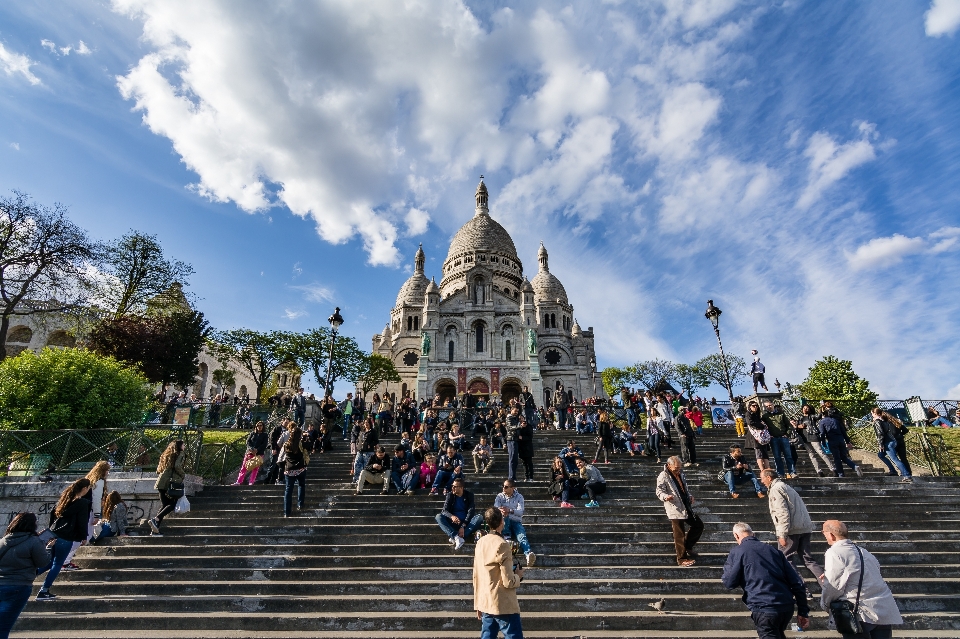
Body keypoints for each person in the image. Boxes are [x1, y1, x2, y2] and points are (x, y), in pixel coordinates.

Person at [722, 522, 810, 639]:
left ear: (736, 536)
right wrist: (803, 611)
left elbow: (729, 582)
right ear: (753, 534)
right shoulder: (774, 551)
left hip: (764, 607)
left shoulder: (738, 552)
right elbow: (797, 582)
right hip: (785, 606)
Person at [820, 520, 903, 639]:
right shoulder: (865, 552)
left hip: (860, 612)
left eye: (823, 532)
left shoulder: (834, 552)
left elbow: (833, 585)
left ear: (831, 535)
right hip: (883, 609)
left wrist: (825, 604)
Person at [761, 469, 822, 596]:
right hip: (804, 527)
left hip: (791, 530)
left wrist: (782, 534)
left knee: (785, 559)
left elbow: (782, 512)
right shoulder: (786, 486)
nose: (761, 481)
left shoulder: (776, 489)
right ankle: (826, 585)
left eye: (762, 478)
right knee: (808, 559)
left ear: (769, 478)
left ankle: (802, 590)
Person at [36, 478, 92, 601]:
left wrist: (52, 531)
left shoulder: (63, 501)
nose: (89, 490)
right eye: (88, 488)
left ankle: (29, 576)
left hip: (54, 534)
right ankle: (44, 590)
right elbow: (82, 522)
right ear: (84, 488)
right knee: (58, 563)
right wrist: (83, 536)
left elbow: (52, 516)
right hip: (66, 536)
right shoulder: (82, 503)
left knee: (50, 562)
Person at [473, 506, 525, 639]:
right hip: (503, 603)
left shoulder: (480, 542)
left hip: (486, 601)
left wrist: (478, 603)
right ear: (502, 521)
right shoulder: (502, 545)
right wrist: (518, 576)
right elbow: (508, 581)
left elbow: (476, 575)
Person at [0, 513, 51, 633]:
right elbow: (43, 562)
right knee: (4, 626)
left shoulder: (3, 541)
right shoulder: (34, 541)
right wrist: (48, 548)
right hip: (19, 586)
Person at [655, 456, 702, 567]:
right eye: (676, 468)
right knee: (679, 533)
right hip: (674, 507)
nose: (678, 470)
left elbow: (684, 489)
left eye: (679, 468)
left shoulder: (681, 474)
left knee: (698, 525)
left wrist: (690, 496)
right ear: (669, 465)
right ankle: (681, 559)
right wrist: (666, 497)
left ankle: (688, 546)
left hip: (685, 505)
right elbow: (659, 491)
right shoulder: (663, 475)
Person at [494, 479, 536, 567]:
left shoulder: (519, 497)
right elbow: (495, 508)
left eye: (506, 487)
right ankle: (507, 536)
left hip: (516, 521)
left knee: (521, 536)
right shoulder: (500, 496)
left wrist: (509, 510)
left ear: (512, 488)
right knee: (504, 515)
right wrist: (502, 511)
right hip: (504, 521)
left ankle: (528, 554)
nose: (503, 488)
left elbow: (520, 512)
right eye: (503, 486)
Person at [148, 440, 185, 536]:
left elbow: (158, 470)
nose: (184, 446)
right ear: (179, 446)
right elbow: (177, 466)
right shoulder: (180, 454)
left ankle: (155, 530)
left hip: (161, 482)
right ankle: (155, 519)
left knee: (164, 505)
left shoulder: (166, 454)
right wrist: (183, 474)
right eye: (183, 445)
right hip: (170, 483)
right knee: (172, 504)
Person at [436, 478, 483, 550]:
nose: (452, 488)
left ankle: (459, 537)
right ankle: (455, 536)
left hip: (466, 523)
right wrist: (452, 516)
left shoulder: (469, 495)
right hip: (453, 522)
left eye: (455, 486)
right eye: (452, 486)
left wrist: (463, 525)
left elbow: (471, 511)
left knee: (479, 517)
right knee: (438, 516)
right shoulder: (450, 495)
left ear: (461, 488)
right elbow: (444, 511)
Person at [818, 408, 862, 478]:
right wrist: (848, 441)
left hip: (832, 440)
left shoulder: (822, 422)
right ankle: (854, 466)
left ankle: (841, 474)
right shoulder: (836, 421)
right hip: (841, 440)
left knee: (837, 458)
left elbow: (822, 433)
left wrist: (823, 443)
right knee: (843, 457)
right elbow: (843, 432)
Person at [870, 408, 912, 483]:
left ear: (876, 414)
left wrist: (880, 444)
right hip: (895, 441)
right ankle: (894, 471)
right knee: (881, 455)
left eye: (872, 414)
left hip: (888, 442)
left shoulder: (878, 421)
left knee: (895, 459)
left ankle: (906, 475)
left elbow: (880, 434)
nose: (871, 415)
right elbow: (904, 430)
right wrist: (900, 436)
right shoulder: (886, 421)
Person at [790, 404, 829, 477]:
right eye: (804, 408)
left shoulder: (811, 416)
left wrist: (821, 410)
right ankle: (819, 471)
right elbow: (796, 428)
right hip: (805, 438)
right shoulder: (800, 418)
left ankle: (832, 468)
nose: (805, 409)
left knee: (820, 452)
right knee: (811, 455)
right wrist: (798, 426)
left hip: (813, 436)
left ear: (810, 409)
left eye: (807, 408)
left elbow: (818, 417)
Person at [762, 402, 797, 479]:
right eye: (767, 406)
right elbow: (763, 426)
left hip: (783, 437)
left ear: (773, 405)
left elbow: (789, 425)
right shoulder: (765, 416)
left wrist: (787, 434)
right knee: (777, 457)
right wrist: (768, 435)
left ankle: (792, 472)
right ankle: (780, 473)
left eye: (770, 405)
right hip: (773, 438)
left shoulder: (781, 414)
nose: (769, 407)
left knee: (788, 456)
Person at [236, 421, 268, 485]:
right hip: (249, 453)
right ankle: (239, 481)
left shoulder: (265, 435)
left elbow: (264, 444)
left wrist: (257, 449)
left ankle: (251, 482)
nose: (259, 427)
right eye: (258, 425)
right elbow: (248, 442)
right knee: (244, 467)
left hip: (258, 454)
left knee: (255, 468)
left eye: (261, 425)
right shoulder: (253, 433)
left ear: (263, 426)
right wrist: (251, 448)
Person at [745, 401, 772, 472]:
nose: (755, 407)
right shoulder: (748, 414)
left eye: (756, 406)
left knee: (765, 453)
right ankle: (762, 470)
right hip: (755, 436)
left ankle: (768, 468)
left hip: (762, 436)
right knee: (759, 453)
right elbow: (750, 422)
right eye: (753, 406)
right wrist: (761, 425)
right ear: (750, 406)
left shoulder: (757, 415)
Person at [516, 416, 535, 481]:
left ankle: (531, 477)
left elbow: (530, 437)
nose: (521, 420)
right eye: (520, 419)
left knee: (529, 463)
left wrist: (523, 438)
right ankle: (526, 476)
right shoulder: (518, 427)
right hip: (521, 447)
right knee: (524, 463)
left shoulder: (528, 426)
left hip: (528, 447)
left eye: (522, 419)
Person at [504, 407, 521, 482]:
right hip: (511, 439)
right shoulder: (509, 418)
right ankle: (511, 477)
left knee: (515, 459)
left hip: (516, 439)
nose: (516, 412)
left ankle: (513, 476)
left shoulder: (515, 418)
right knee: (512, 458)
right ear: (511, 410)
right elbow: (510, 427)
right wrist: (519, 426)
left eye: (517, 411)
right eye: (515, 411)